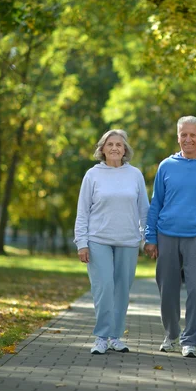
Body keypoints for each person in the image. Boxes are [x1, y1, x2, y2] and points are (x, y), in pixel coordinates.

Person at [144, 116, 196, 358]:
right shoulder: (166, 166)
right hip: (167, 236)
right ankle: (171, 335)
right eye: (184, 135)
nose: (188, 139)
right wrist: (150, 237)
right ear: (178, 137)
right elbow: (156, 203)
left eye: (193, 135)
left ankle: (190, 340)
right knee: (167, 290)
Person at [74, 129, 149, 355]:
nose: (115, 148)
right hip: (98, 240)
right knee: (104, 287)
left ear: (125, 149)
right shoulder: (92, 175)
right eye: (110, 144)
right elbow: (82, 212)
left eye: (119, 144)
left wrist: (147, 238)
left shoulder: (135, 174)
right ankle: (101, 337)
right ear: (102, 149)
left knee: (121, 291)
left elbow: (144, 210)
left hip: (128, 240)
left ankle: (116, 337)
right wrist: (82, 242)